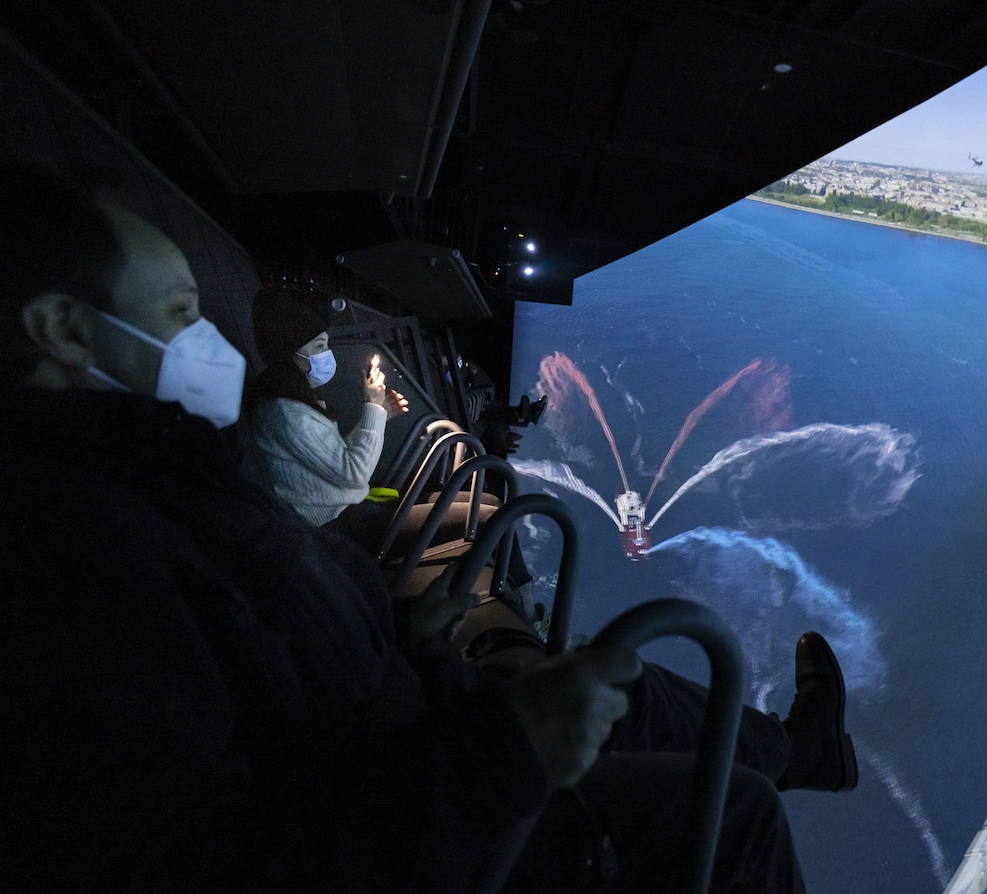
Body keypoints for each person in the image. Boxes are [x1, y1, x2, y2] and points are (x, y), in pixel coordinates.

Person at [1, 160, 858, 893]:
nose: (211, 336)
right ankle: (787, 757)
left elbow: (263, 656)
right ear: (67, 330)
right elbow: (198, 861)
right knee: (731, 817)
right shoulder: (67, 562)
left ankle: (796, 748)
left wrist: (405, 636)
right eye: (181, 311)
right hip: (417, 811)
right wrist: (505, 752)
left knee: (620, 682)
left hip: (407, 730)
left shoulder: (153, 480)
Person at [241, 286, 502, 554]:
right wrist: (373, 407)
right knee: (490, 518)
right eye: (319, 346)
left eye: (327, 344)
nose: (327, 354)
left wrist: (380, 414)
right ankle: (511, 591)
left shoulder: (293, 404)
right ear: (289, 353)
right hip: (338, 530)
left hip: (355, 511)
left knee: (488, 500)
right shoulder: (287, 414)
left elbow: (337, 462)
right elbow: (354, 473)